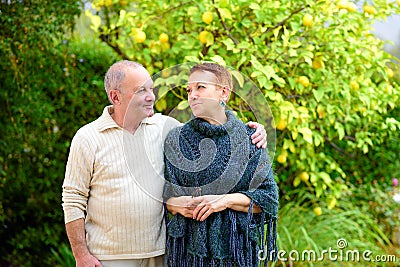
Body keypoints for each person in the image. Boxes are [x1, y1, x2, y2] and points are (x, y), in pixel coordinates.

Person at [62, 60, 267, 267]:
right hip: (109, 257)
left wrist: (254, 130)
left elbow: (213, 130)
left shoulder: (165, 128)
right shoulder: (88, 137)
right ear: (116, 97)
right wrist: (81, 255)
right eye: (141, 90)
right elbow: (73, 199)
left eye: (151, 89)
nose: (151, 96)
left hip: (160, 253)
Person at [163, 63, 279, 266]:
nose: (192, 95)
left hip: (238, 251)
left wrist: (223, 201)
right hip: (188, 254)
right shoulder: (176, 139)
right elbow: (167, 195)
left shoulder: (250, 138)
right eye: (189, 90)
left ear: (223, 93)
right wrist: (175, 204)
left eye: (200, 87)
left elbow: (268, 199)